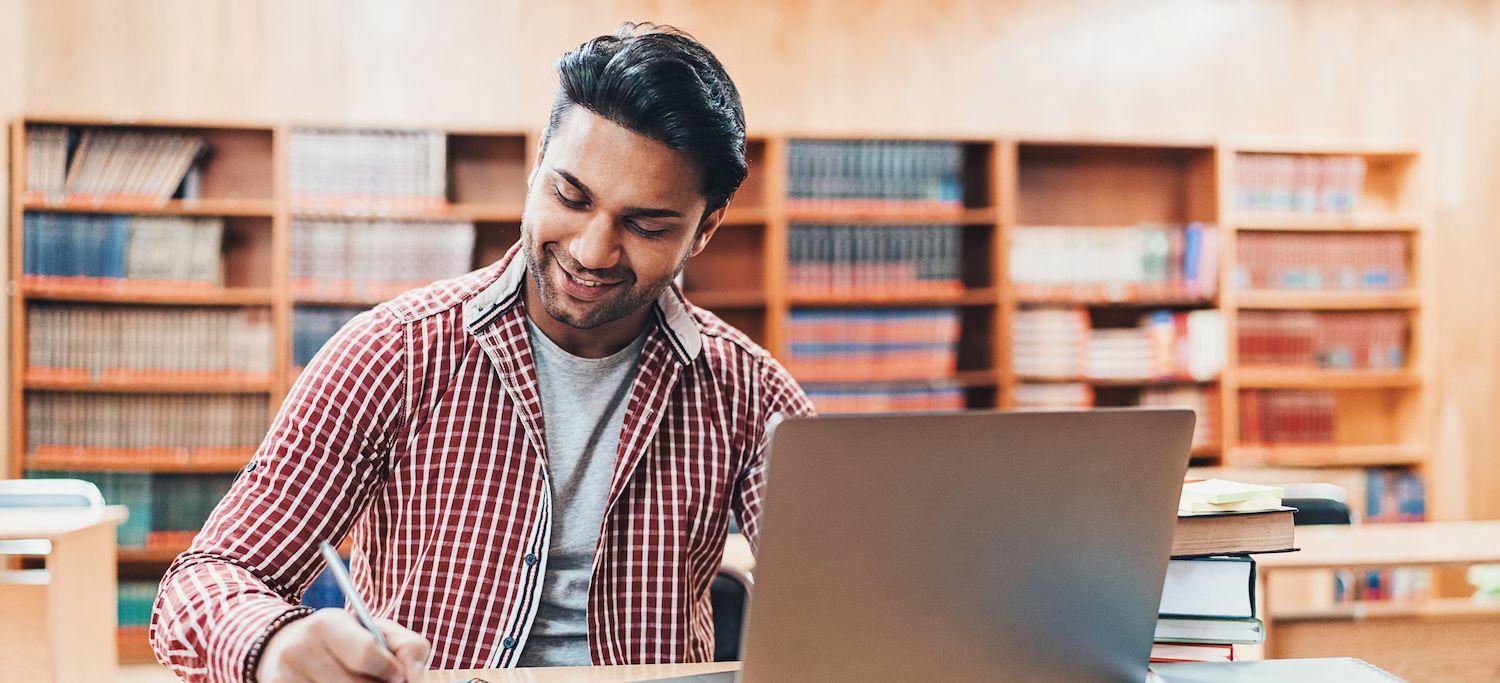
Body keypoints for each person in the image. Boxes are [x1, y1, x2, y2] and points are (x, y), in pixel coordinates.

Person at [150, 23, 813, 682]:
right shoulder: (393, 353)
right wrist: (270, 644)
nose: (591, 250)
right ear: (536, 169)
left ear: (706, 228)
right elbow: (210, 577)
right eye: (570, 195)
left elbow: (853, 591)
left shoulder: (749, 394)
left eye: (646, 225)